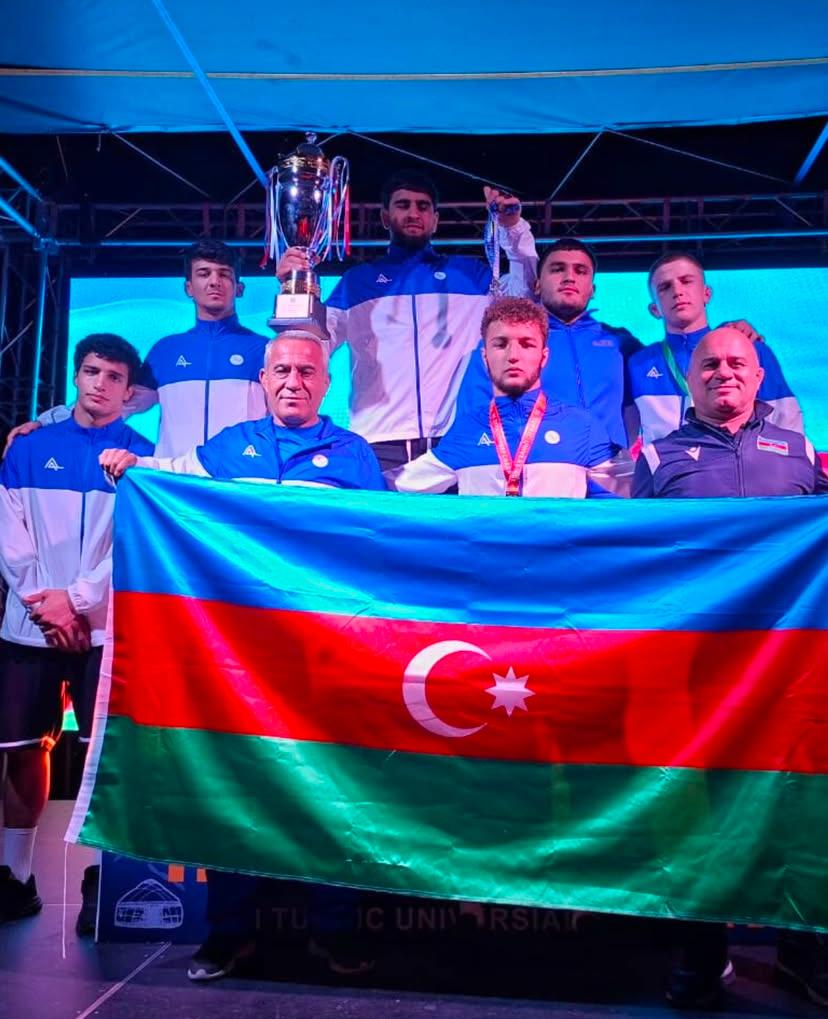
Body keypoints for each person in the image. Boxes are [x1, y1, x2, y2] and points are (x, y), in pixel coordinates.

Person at [100, 331, 385, 981]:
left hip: (325, 653)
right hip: (243, 655)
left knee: (331, 790)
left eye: (306, 371)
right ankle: (230, 934)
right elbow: (169, 477)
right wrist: (130, 462)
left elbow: (376, 543)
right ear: (263, 379)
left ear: (326, 382)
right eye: (281, 370)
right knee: (233, 787)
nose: (293, 381)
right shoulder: (231, 447)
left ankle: (333, 930)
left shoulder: (354, 454)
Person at [633, 327, 828, 1008]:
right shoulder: (657, 457)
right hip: (696, 671)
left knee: (796, 809)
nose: (724, 372)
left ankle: (803, 954)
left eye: (737, 362)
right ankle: (702, 954)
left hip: (786, 670)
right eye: (710, 363)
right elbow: (635, 560)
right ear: (690, 379)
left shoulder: (801, 453)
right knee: (697, 815)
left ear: (757, 374)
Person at [0, 335, 152, 928]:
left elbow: (133, 545)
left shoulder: (143, 457)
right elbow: (11, 536)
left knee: (101, 760)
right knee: (21, 752)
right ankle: (15, 877)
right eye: (92, 371)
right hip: (31, 626)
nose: (100, 384)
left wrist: (79, 602)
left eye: (114, 377)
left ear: (129, 391)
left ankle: (100, 882)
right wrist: (48, 606)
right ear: (75, 376)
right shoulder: (29, 448)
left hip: (105, 632)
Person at [276, 171, 538, 471]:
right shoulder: (356, 283)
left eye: (423, 206)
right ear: (385, 217)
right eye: (403, 205)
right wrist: (291, 289)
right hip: (379, 441)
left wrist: (512, 229)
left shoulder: (470, 276)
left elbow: (524, 295)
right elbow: (310, 347)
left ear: (435, 220)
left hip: (456, 440)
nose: (414, 213)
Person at [5, 240, 269, 458]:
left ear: (239, 288)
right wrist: (47, 422)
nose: (214, 282)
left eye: (224, 274)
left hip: (241, 483)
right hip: (176, 488)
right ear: (188, 288)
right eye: (203, 273)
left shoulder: (264, 350)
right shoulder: (165, 352)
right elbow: (114, 402)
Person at [391, 297, 632, 497]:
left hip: (558, 545)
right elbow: (393, 488)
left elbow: (637, 490)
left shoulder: (582, 426)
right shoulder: (465, 430)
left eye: (526, 344)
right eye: (501, 344)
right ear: (485, 357)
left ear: (544, 357)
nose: (513, 355)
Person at [456, 239, 643, 450]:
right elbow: (473, 413)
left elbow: (644, 405)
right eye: (558, 269)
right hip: (536, 465)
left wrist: (623, 451)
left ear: (592, 289)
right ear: (537, 285)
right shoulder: (504, 340)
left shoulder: (621, 343)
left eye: (580, 271)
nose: (569, 277)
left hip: (608, 465)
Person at [629, 251, 803, 446]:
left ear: (706, 294)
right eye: (665, 287)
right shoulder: (638, 364)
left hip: (739, 464)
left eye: (686, 281)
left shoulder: (750, 349)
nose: (677, 291)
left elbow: (787, 420)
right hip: (668, 465)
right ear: (655, 310)